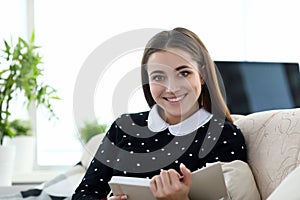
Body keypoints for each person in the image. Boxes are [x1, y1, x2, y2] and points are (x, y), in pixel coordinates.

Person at [72, 27, 247, 200]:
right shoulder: (124, 126)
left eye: (183, 73)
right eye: (158, 77)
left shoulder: (224, 136)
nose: (172, 88)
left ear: (201, 74)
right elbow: (84, 194)